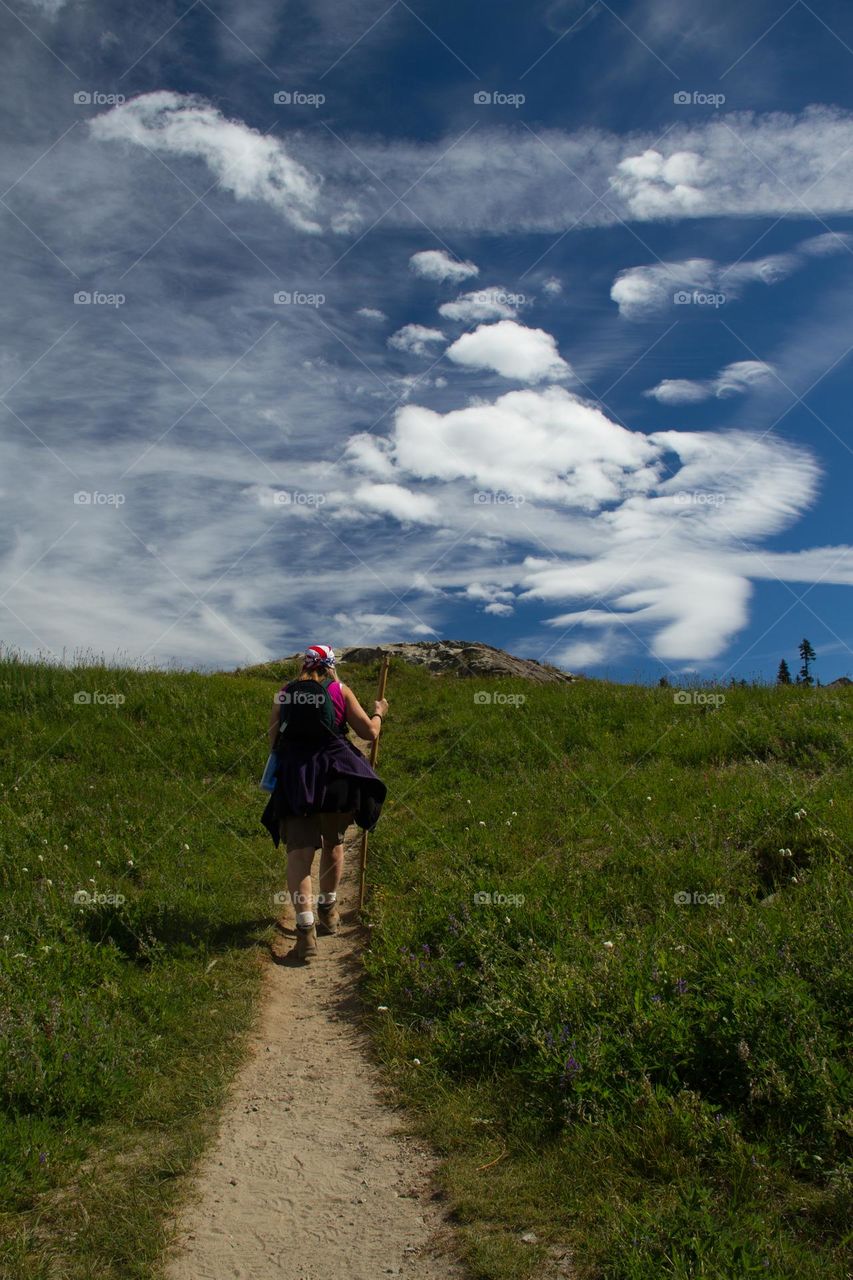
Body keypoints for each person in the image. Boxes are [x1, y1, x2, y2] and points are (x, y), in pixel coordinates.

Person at [260, 644, 388, 962]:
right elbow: (370, 733)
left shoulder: (283, 694)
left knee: (299, 856)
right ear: (330, 666)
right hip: (336, 780)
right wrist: (379, 712)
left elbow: (275, 743)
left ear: (304, 666)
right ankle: (329, 910)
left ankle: (305, 935)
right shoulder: (340, 690)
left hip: (296, 780)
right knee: (334, 843)